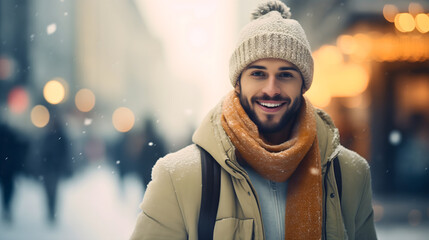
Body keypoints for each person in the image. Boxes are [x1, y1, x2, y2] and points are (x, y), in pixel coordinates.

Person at [130, 1, 377, 239]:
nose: (271, 89)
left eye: (286, 74)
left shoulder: (350, 173)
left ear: (303, 84)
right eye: (258, 74)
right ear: (238, 82)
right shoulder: (179, 177)